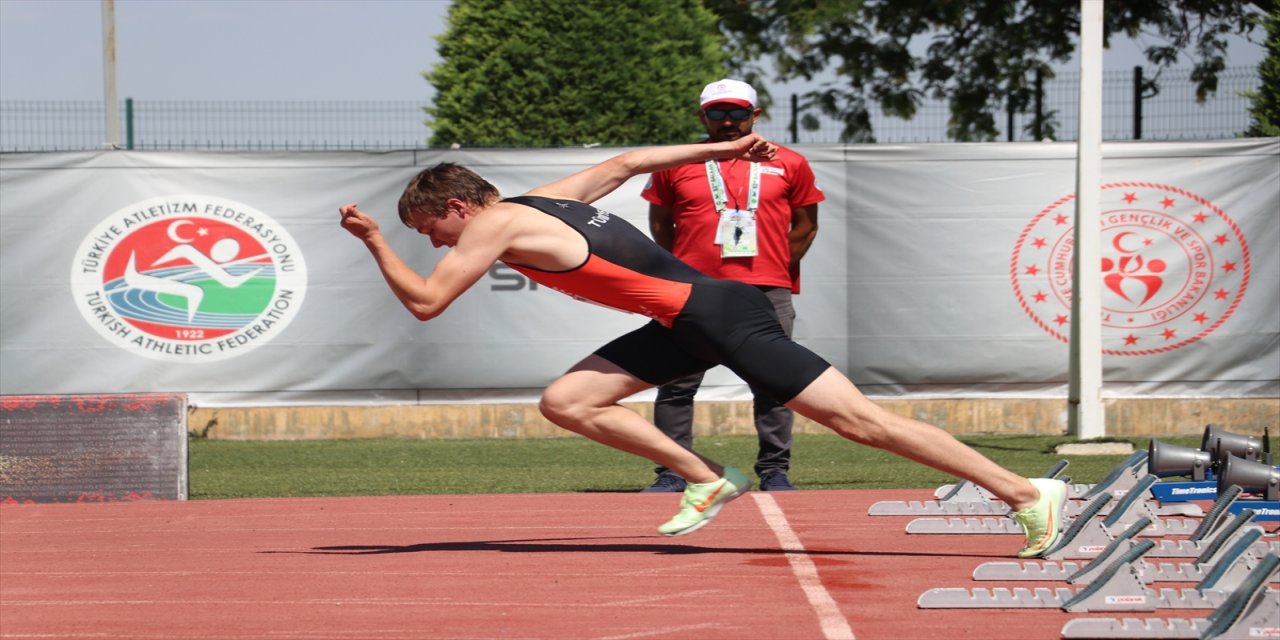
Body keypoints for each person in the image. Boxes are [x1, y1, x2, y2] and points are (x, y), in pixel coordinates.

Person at [337, 133, 1068, 557]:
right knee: (569, 400)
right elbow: (627, 162)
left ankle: (1027, 492)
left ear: (457, 207)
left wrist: (373, 241)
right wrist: (723, 145)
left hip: (722, 316)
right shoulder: (542, 199)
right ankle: (706, 477)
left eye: (428, 229)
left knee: (861, 424)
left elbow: (428, 302)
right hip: (687, 322)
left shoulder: (493, 225)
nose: (432, 242)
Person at [640, 78, 822, 493]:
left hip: (765, 289)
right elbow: (659, 223)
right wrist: (683, 269)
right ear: (701, 116)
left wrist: (776, 265)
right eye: (717, 113)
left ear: (755, 115)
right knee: (676, 384)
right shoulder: (676, 163)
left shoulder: (789, 162)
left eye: (738, 113)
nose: (727, 121)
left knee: (777, 384)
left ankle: (775, 470)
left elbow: (807, 225)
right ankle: (674, 470)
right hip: (694, 289)